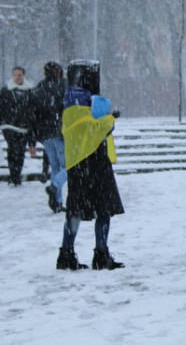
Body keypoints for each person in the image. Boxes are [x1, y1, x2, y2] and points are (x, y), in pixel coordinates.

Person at [56, 60, 125, 271]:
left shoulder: (68, 104)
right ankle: (101, 254)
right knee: (104, 209)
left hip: (77, 165)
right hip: (95, 163)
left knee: (75, 210)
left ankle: (66, 253)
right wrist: (110, 118)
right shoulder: (85, 103)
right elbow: (93, 129)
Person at [29, 61, 67, 212]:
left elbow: (32, 115)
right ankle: (54, 186)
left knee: (56, 167)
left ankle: (56, 202)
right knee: (69, 166)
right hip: (60, 132)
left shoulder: (38, 89)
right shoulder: (64, 86)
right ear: (59, 72)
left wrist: (33, 138)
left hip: (45, 135)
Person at [0, 66, 36, 186]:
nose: (17, 77)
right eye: (15, 74)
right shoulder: (6, 90)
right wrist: (3, 121)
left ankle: (16, 175)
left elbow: (32, 110)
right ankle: (13, 176)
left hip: (23, 127)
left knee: (20, 151)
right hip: (9, 126)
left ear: (24, 75)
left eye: (19, 74)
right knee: (12, 149)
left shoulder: (30, 91)